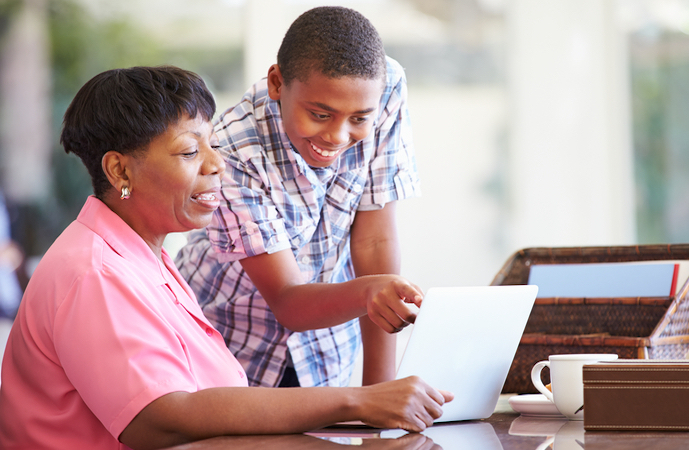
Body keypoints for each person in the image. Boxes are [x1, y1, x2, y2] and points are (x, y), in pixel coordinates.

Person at [0, 66, 452, 450]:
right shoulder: (94, 271)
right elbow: (160, 416)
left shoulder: (143, 256)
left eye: (212, 145)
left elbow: (207, 401)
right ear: (120, 171)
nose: (217, 165)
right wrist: (356, 401)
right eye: (190, 151)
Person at [177, 6, 422, 389]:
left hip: (327, 353)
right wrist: (372, 293)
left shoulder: (384, 86)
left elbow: (375, 241)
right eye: (321, 115)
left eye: (358, 119)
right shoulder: (232, 150)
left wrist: (378, 393)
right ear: (277, 83)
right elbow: (289, 301)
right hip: (231, 351)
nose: (338, 136)